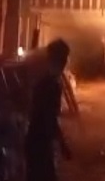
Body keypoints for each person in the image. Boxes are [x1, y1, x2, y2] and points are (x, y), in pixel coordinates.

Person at [25, 39, 72, 181]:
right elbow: (49, 119)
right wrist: (62, 144)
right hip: (40, 143)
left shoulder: (44, 83)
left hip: (36, 141)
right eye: (64, 59)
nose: (65, 62)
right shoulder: (51, 86)